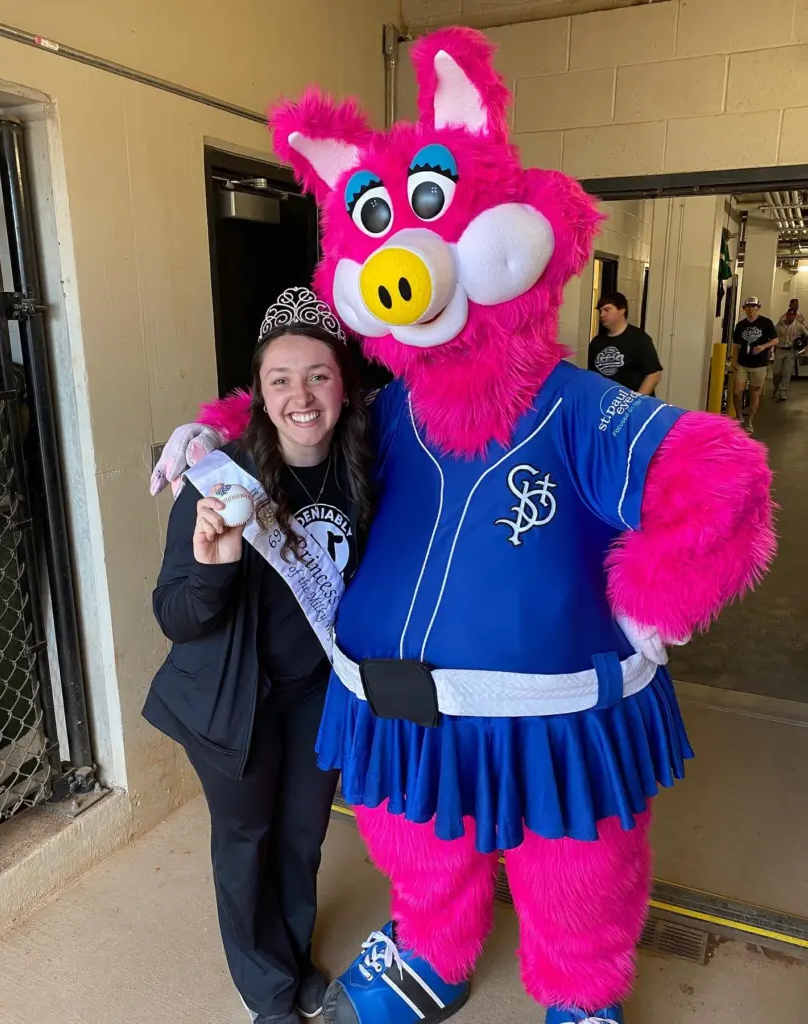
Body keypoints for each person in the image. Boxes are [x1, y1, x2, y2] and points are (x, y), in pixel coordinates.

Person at [151, 29, 774, 1024]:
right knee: (421, 849)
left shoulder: (575, 408)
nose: (407, 263)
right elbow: (298, 417)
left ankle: (578, 991)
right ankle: (432, 953)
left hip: (554, 712)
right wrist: (222, 424)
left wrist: (657, 591)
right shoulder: (384, 410)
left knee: (573, 864)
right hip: (402, 710)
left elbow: (724, 477)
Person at [144, 288, 372, 1024]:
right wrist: (211, 564)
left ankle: (293, 962)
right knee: (246, 841)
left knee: (302, 836)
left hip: (315, 691)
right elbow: (174, 614)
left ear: (344, 384)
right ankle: (266, 995)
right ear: (259, 395)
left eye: (317, 375)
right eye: (280, 379)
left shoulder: (365, 465)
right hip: (229, 701)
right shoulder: (220, 478)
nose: (300, 395)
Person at [588, 291, 663, 395]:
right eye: (600, 311)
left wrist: (636, 402)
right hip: (605, 404)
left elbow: (654, 374)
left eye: (607, 310)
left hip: (633, 405)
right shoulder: (596, 342)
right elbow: (593, 377)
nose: (602, 315)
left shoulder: (639, 339)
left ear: (621, 311)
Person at [731, 296, 778, 433]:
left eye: (754, 306)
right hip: (743, 363)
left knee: (754, 393)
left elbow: (775, 340)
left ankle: (749, 421)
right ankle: (739, 415)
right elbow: (736, 344)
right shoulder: (740, 325)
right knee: (737, 391)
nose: (751, 309)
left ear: (758, 308)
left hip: (759, 364)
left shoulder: (766, 323)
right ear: (744, 308)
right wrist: (734, 360)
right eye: (748, 306)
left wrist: (763, 346)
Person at [773, 305, 808, 400]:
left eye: (792, 316)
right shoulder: (779, 325)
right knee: (776, 372)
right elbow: (772, 337)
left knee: (787, 372)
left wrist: (805, 346)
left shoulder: (798, 326)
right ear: (786, 315)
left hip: (791, 351)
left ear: (795, 316)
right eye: (789, 315)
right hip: (780, 350)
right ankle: (775, 387)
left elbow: (806, 335)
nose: (790, 317)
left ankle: (783, 391)